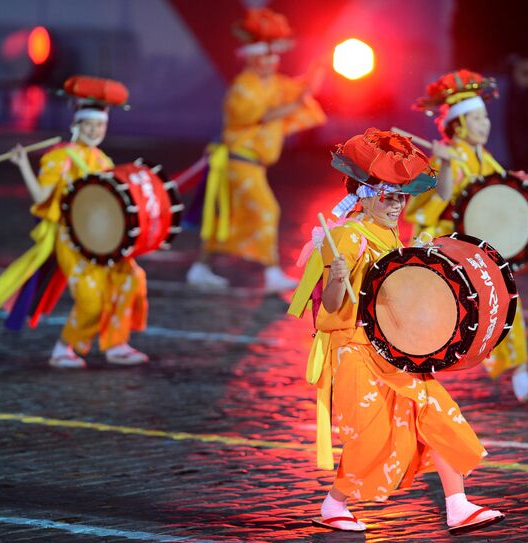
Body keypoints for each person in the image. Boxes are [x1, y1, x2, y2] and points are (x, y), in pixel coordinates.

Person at [288, 129, 505, 533]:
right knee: (370, 439)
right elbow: (331, 307)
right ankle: (334, 504)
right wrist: (335, 277)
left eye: (401, 197)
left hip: (394, 349)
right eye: (389, 196)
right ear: (365, 194)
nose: (397, 205)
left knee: (438, 413)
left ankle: (457, 504)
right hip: (355, 351)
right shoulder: (345, 236)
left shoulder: (388, 232)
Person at [406, 69, 528, 402]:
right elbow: (441, 197)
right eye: (476, 119)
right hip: (446, 248)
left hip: (472, 249)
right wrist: (443, 165)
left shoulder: (482, 156)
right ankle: (416, 376)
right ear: (458, 125)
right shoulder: (448, 157)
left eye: (485, 118)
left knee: (504, 304)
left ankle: (520, 377)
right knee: (439, 319)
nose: (485, 124)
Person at [0, 76, 149, 369]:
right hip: (71, 238)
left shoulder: (103, 160)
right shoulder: (60, 157)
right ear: (76, 125)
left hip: (100, 236)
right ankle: (64, 348)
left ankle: (116, 344)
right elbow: (40, 195)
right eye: (88, 125)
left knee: (130, 279)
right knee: (90, 299)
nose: (94, 131)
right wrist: (24, 164)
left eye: (99, 126)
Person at [186, 7, 326, 293]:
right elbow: (264, 115)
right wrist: (296, 102)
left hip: (251, 165)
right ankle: (272, 272)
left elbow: (301, 92)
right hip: (239, 162)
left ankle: (200, 267)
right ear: (250, 56)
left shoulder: (274, 84)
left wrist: (321, 66)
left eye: (274, 55)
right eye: (265, 55)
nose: (271, 61)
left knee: (231, 217)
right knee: (267, 210)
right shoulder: (242, 88)